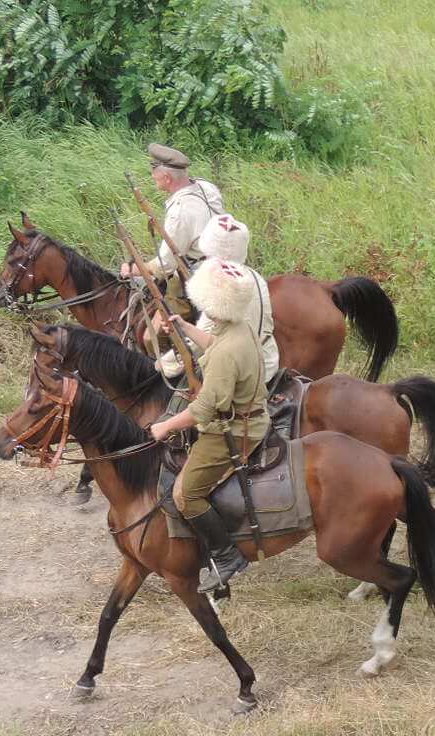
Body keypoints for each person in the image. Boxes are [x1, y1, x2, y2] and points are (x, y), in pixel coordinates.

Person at [148, 260, 269, 594]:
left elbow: (204, 409)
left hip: (235, 431)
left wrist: (165, 427)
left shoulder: (227, 351)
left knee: (185, 495)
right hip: (253, 416)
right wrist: (184, 327)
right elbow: (214, 344)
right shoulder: (239, 327)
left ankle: (227, 556)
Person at [155, 214, 279, 387]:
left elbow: (199, 345)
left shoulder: (221, 290)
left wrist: (164, 364)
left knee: (182, 396)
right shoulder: (255, 276)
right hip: (268, 358)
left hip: (243, 371)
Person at [119, 143, 225, 312]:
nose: (152, 176)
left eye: (154, 172)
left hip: (203, 275)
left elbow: (165, 265)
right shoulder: (206, 186)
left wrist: (137, 268)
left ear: (167, 178)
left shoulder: (180, 211)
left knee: (157, 325)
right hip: (228, 260)